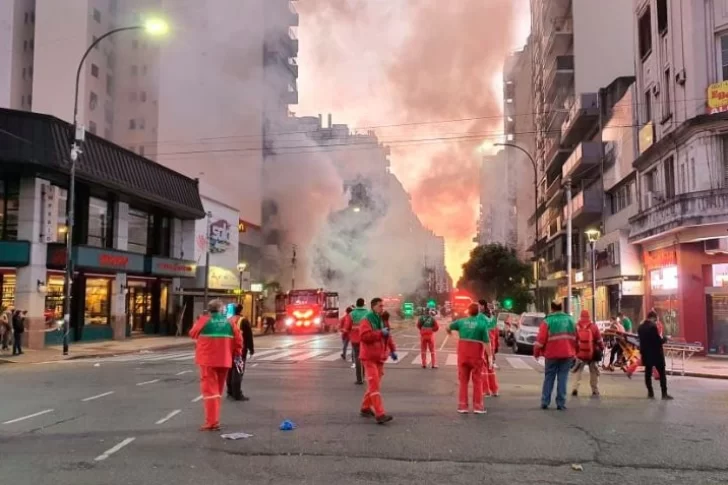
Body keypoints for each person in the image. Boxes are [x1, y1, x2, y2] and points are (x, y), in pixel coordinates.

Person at [190, 299, 243, 431]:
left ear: (209, 309)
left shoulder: (204, 321)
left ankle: (212, 422)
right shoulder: (230, 323)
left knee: (210, 392)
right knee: (217, 391)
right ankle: (214, 420)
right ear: (221, 310)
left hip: (207, 360)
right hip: (225, 360)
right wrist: (237, 354)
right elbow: (238, 341)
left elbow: (192, 334)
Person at [448, 303, 492, 414]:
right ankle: (478, 407)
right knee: (477, 381)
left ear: (468, 311)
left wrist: (450, 335)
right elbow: (487, 343)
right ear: (478, 312)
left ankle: (462, 406)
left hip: (463, 355)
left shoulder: (461, 322)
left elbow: (448, 327)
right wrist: (490, 357)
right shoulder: (482, 324)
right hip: (476, 356)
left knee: (463, 381)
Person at [359, 297, 396, 424]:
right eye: (380, 306)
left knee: (375, 385)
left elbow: (388, 336)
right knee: (374, 385)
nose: (382, 308)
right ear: (373, 306)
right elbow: (364, 337)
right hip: (369, 357)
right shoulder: (367, 319)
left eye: (382, 306)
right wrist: (380, 333)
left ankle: (365, 407)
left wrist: (393, 350)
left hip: (379, 357)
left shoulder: (381, 319)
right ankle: (380, 414)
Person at [534, 301, 576, 411]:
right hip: (567, 354)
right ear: (562, 308)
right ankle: (561, 403)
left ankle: (545, 402)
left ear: (551, 308)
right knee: (563, 378)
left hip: (551, 355)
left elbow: (540, 340)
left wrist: (536, 353)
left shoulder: (547, 321)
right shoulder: (571, 320)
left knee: (549, 377)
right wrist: (576, 352)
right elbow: (577, 338)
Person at [638, 311, 673, 400]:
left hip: (646, 354)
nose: (656, 321)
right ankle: (664, 394)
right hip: (656, 354)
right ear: (653, 318)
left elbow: (641, 341)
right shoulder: (652, 327)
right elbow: (657, 341)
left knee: (648, 373)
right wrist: (665, 338)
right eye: (656, 319)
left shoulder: (640, 327)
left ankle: (650, 393)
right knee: (662, 373)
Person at [571, 309, 603, 397]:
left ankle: (575, 388)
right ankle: (595, 390)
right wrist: (601, 347)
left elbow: (573, 340)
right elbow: (599, 339)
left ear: (580, 316)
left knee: (578, 371)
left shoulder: (576, 326)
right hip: (591, 353)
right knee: (594, 372)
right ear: (589, 316)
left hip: (579, 353)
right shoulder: (593, 326)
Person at [226, 304, 254, 401]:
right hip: (239, 352)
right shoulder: (243, 320)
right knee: (238, 372)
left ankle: (229, 391)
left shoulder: (228, 321)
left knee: (229, 371)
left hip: (228, 351)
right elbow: (249, 336)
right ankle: (237, 394)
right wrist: (251, 349)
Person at [342, 298, 369, 385]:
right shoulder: (368, 313)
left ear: (356, 304)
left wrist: (345, 331)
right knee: (364, 357)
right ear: (363, 304)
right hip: (366, 338)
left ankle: (359, 379)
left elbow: (346, 327)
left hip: (355, 339)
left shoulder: (352, 314)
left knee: (357, 357)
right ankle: (363, 376)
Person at [479, 302, 500, 397]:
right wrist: (496, 347)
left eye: (480, 305)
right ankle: (494, 390)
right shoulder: (492, 319)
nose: (479, 307)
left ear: (483, 307)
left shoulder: (480, 318)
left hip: (483, 345)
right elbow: (496, 334)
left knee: (483, 367)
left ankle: (486, 390)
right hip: (491, 345)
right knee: (490, 367)